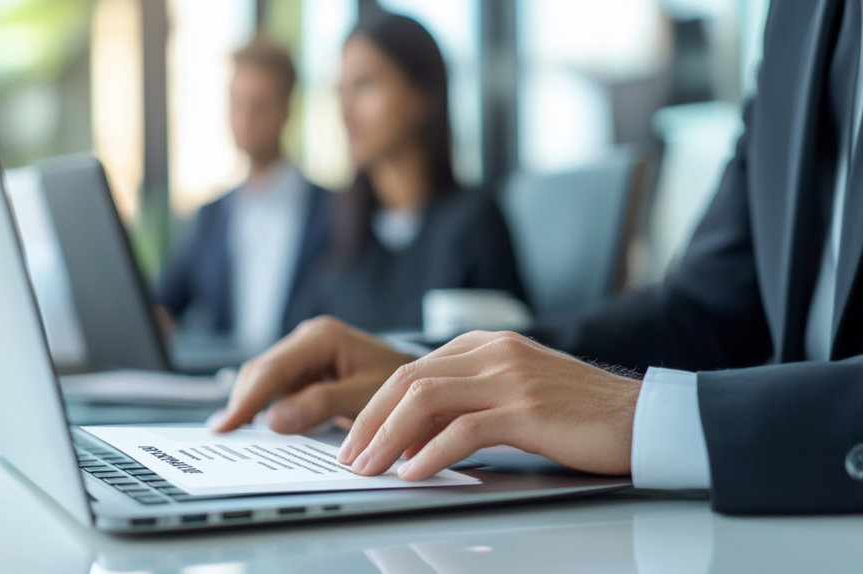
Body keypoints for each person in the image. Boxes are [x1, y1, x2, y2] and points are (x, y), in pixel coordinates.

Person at [211, 0, 863, 515]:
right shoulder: (798, 16)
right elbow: (706, 309)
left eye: (366, 84)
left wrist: (643, 418)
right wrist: (432, 368)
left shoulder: (467, 222)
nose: (344, 109)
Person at [283, 12, 526, 333]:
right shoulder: (338, 232)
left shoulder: (474, 224)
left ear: (422, 96)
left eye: (364, 85)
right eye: (340, 91)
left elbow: (516, 355)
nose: (345, 112)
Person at [157, 36, 330, 349]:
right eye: (237, 102)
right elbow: (164, 301)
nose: (244, 118)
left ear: (286, 110)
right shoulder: (209, 217)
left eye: (259, 105)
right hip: (222, 383)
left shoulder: (332, 211)